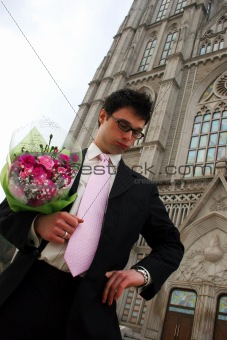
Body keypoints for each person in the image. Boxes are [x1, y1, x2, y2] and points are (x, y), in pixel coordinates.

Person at [0, 88, 184, 340]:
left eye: (137, 132)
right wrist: (37, 224)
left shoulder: (143, 190)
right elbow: (5, 212)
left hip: (93, 309)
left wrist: (141, 273)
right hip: (26, 292)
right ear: (102, 116)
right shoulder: (54, 162)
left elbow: (171, 244)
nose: (128, 137)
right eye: (123, 125)